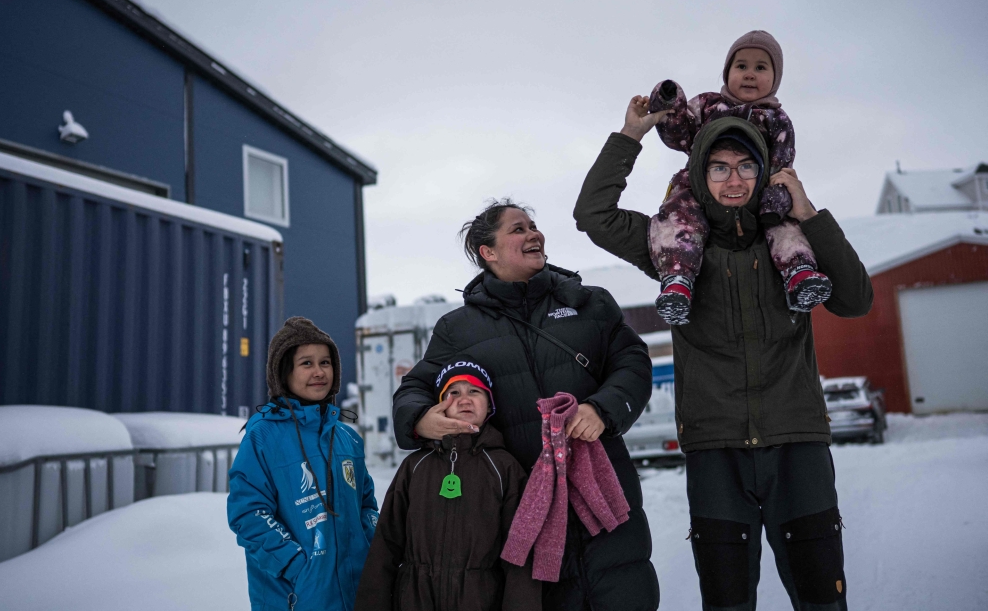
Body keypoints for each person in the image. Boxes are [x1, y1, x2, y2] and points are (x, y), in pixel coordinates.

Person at [573, 100, 873, 611]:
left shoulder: (793, 247)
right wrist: (630, 135)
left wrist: (807, 210)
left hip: (797, 447)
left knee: (823, 598)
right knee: (727, 601)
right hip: (716, 455)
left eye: (745, 166)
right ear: (698, 173)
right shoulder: (674, 247)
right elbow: (592, 214)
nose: (733, 180)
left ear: (762, 172)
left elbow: (854, 299)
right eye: (718, 168)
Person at [393, 200, 660, 611]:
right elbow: (415, 387)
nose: (534, 234)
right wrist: (420, 420)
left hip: (605, 489)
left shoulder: (590, 303)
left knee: (625, 592)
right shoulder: (458, 328)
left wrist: (603, 409)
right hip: (526, 504)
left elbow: (633, 361)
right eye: (518, 229)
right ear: (489, 252)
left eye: (534, 225)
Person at [645, 29, 831, 324]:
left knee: (787, 227)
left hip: (761, 191)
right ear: (727, 71)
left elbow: (781, 165)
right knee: (677, 222)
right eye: (741, 66)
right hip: (700, 189)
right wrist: (668, 100)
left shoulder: (777, 120)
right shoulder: (708, 105)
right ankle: (678, 281)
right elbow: (678, 134)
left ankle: (800, 274)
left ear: (775, 77)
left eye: (760, 67)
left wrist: (774, 205)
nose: (749, 74)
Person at [355, 354, 541, 611]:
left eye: (475, 391)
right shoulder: (415, 466)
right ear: (439, 404)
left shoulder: (505, 469)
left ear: (490, 404)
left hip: (480, 600)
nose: (464, 398)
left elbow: (520, 554)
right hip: (415, 600)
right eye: (453, 391)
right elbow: (386, 544)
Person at [228, 317, 379, 611]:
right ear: (283, 372)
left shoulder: (347, 438)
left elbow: (366, 504)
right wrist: (296, 566)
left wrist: (368, 548)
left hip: (357, 593)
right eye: (306, 363)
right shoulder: (263, 436)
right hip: (296, 597)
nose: (319, 372)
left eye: (325, 362)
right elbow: (248, 514)